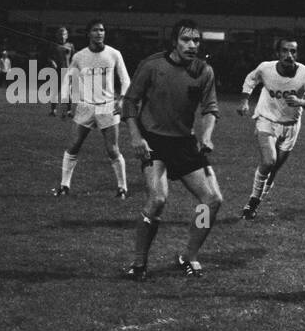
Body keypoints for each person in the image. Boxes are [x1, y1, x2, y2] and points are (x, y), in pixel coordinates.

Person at [120, 19, 222, 280]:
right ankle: (139, 264)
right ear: (174, 42)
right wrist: (135, 137)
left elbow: (210, 108)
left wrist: (207, 136)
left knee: (211, 201)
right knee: (158, 199)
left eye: (196, 41)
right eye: (186, 40)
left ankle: (189, 255)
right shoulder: (152, 65)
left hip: (184, 143)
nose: (192, 45)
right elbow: (130, 101)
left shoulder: (204, 71)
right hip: (153, 140)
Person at [237, 38, 305, 220]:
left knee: (273, 170)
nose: (289, 55)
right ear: (277, 53)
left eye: (293, 52)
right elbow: (250, 79)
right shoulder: (265, 68)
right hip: (266, 120)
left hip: (290, 126)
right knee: (269, 161)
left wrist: (301, 102)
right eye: (285, 51)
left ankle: (256, 202)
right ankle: (252, 202)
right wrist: (244, 100)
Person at [53, 18, 131, 199]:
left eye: (102, 30)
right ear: (88, 33)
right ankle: (64, 186)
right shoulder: (79, 56)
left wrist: (122, 99)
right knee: (73, 146)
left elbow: (126, 79)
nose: (99, 33)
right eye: (95, 30)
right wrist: (63, 102)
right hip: (85, 106)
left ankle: (122, 188)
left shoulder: (114, 54)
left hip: (107, 107)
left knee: (113, 149)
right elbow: (68, 79)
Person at [49, 26, 75, 118]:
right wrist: (52, 62)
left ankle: (69, 111)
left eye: (64, 34)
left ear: (67, 36)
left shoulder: (71, 45)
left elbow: (74, 58)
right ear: (57, 35)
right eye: (60, 34)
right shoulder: (53, 45)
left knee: (68, 93)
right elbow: (49, 56)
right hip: (57, 71)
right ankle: (53, 110)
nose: (62, 36)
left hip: (67, 71)